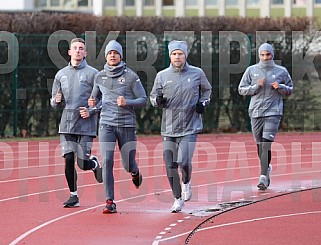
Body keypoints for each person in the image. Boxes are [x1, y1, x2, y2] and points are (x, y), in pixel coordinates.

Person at [82, 40, 147, 214]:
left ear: (120, 56)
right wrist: (91, 106)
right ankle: (109, 201)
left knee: (127, 164)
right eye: (109, 53)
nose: (112, 55)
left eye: (115, 53)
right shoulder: (100, 76)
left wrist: (128, 102)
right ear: (106, 56)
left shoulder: (131, 76)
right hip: (106, 124)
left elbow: (143, 99)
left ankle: (134, 172)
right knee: (107, 161)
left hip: (126, 124)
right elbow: (94, 99)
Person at [150, 40, 212, 213]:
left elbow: (207, 91)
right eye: (174, 54)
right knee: (170, 164)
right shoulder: (162, 75)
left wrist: (203, 103)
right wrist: (157, 101)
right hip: (169, 127)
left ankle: (186, 182)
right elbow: (153, 96)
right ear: (170, 56)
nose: (177, 57)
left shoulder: (197, 73)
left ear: (185, 55)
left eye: (180, 53)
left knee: (184, 161)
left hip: (190, 126)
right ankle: (177, 199)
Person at [50, 37, 103, 208]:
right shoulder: (61, 75)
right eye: (75, 48)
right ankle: (74, 195)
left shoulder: (94, 74)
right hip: (66, 124)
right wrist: (55, 101)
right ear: (69, 52)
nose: (78, 50)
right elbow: (53, 101)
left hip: (86, 125)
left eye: (81, 48)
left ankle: (93, 163)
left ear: (85, 53)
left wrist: (91, 110)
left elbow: (102, 100)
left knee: (82, 163)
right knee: (68, 159)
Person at [238, 43, 293, 190]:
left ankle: (263, 176)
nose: (265, 57)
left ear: (272, 55)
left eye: (267, 54)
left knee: (266, 143)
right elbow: (241, 89)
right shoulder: (251, 70)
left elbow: (290, 89)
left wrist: (281, 87)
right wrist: (256, 87)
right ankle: (266, 168)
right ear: (259, 55)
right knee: (259, 144)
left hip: (273, 112)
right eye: (262, 55)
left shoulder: (281, 71)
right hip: (255, 112)